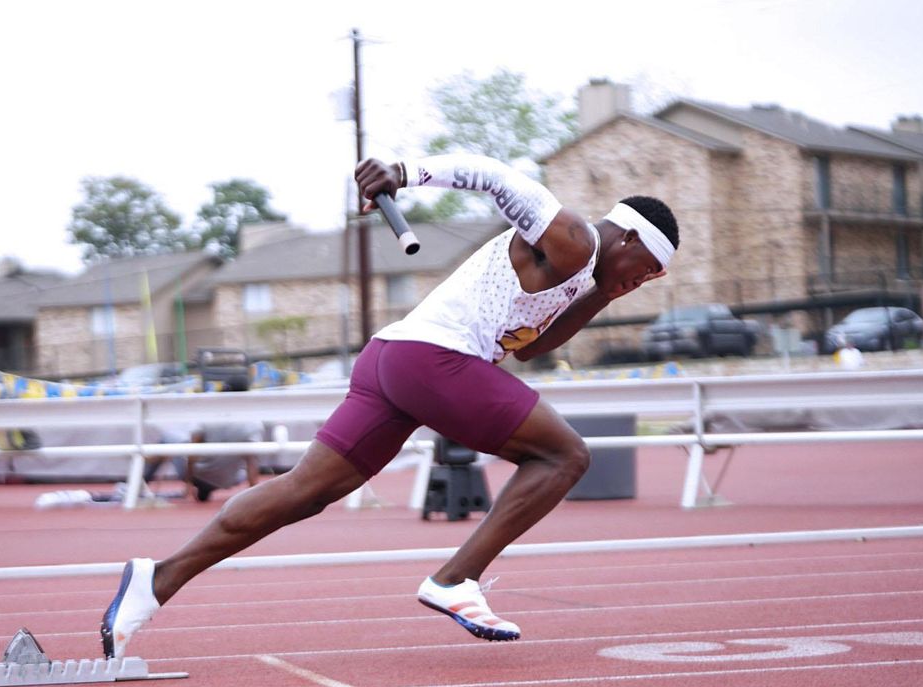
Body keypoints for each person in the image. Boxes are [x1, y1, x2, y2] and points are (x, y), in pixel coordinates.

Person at [101, 153, 679, 657]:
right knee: (564, 457)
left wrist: (604, 292)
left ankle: (155, 582)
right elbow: (499, 178)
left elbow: (533, 349)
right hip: (433, 359)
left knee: (305, 492)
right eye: (646, 270)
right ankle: (457, 578)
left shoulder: (584, 279)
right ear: (628, 239)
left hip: (393, 360)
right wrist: (404, 171)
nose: (642, 283)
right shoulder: (573, 238)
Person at [142, 376, 263, 502]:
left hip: (199, 475)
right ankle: (204, 489)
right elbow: (252, 462)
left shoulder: (209, 412)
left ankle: (140, 483)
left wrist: (188, 484)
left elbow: (193, 449)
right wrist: (254, 496)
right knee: (241, 467)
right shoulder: (253, 423)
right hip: (226, 480)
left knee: (168, 440)